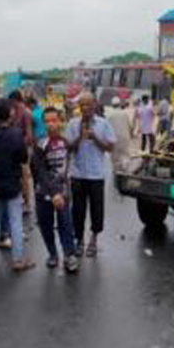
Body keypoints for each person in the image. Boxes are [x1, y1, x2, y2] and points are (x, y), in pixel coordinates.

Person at [0, 98, 34, 271]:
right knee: (15, 221)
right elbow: (23, 158)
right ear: (10, 114)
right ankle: (18, 260)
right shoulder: (16, 135)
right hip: (12, 183)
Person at [66, 92, 115, 258]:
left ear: (95, 105)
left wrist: (95, 138)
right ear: (79, 107)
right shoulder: (73, 124)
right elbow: (68, 148)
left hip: (96, 175)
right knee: (78, 211)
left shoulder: (103, 124)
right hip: (78, 174)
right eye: (82, 105)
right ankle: (79, 240)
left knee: (96, 210)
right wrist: (80, 136)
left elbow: (110, 147)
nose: (85, 108)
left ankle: (93, 240)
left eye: (88, 104)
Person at [31, 107, 79, 273]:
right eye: (47, 121)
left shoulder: (65, 141)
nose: (51, 124)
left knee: (66, 223)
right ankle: (52, 254)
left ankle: (69, 256)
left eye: (54, 120)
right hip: (44, 193)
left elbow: (66, 166)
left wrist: (61, 192)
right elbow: (40, 172)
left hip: (63, 191)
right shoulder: (39, 144)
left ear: (60, 121)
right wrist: (53, 193)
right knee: (46, 225)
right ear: (43, 123)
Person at [8, 90, 34, 216]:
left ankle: (26, 203)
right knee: (16, 176)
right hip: (14, 148)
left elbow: (29, 135)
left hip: (23, 148)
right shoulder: (13, 112)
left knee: (24, 176)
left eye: (12, 102)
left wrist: (19, 144)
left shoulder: (26, 113)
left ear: (16, 100)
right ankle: (19, 200)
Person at [107, 96, 135, 173]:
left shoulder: (109, 114)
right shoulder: (124, 113)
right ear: (119, 104)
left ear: (112, 105)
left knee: (115, 156)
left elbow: (107, 128)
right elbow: (130, 126)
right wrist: (131, 135)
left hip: (115, 137)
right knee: (125, 155)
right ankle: (125, 171)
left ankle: (116, 173)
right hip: (125, 137)